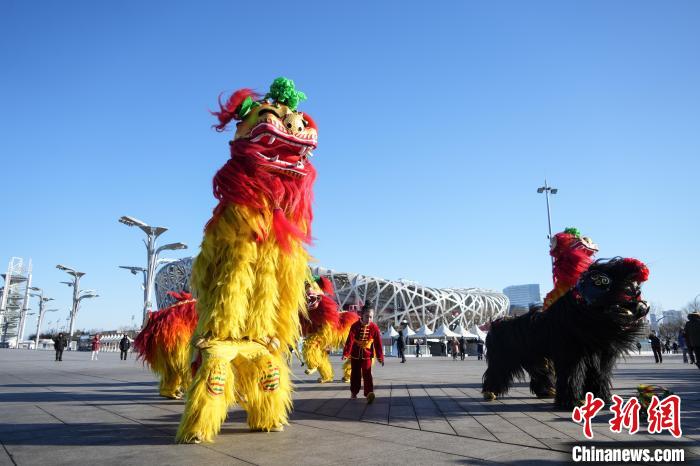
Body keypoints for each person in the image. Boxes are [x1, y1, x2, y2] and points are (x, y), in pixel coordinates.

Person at [342, 304, 384, 403]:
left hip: (367, 355)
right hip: (355, 355)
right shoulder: (355, 326)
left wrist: (380, 357)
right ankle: (354, 392)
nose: (368, 319)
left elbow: (378, 343)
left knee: (367, 374)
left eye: (371, 317)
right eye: (367, 316)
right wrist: (346, 353)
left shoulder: (374, 327)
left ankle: (369, 393)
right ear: (361, 315)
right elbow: (350, 340)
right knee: (355, 374)